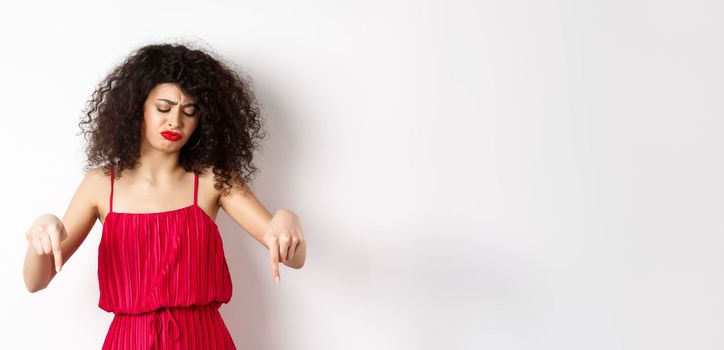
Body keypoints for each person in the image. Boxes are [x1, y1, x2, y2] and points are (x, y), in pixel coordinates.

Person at [22, 41, 306, 349]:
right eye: (163, 108)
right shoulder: (101, 185)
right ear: (137, 108)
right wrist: (43, 229)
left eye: (189, 111)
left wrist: (288, 220)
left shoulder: (213, 181)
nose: (175, 121)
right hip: (130, 342)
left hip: (203, 340)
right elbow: (35, 282)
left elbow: (294, 258)